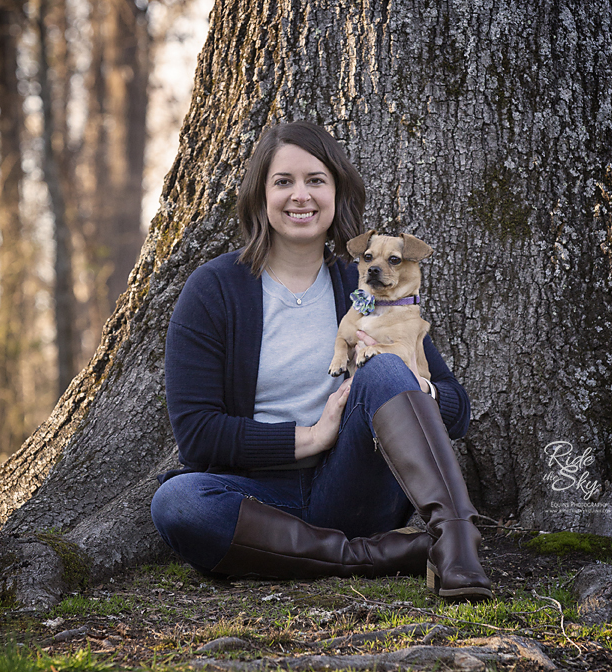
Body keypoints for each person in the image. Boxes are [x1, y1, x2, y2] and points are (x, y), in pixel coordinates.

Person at [151, 121, 492, 600]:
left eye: (315, 180)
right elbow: (197, 435)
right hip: (256, 502)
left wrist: (415, 385)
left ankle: (457, 543)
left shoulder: (367, 289)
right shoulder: (214, 290)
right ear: (259, 196)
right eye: (283, 181)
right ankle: (381, 556)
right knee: (179, 502)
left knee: (386, 367)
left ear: (336, 192)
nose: (300, 196)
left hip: (354, 486)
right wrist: (311, 437)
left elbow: (457, 410)